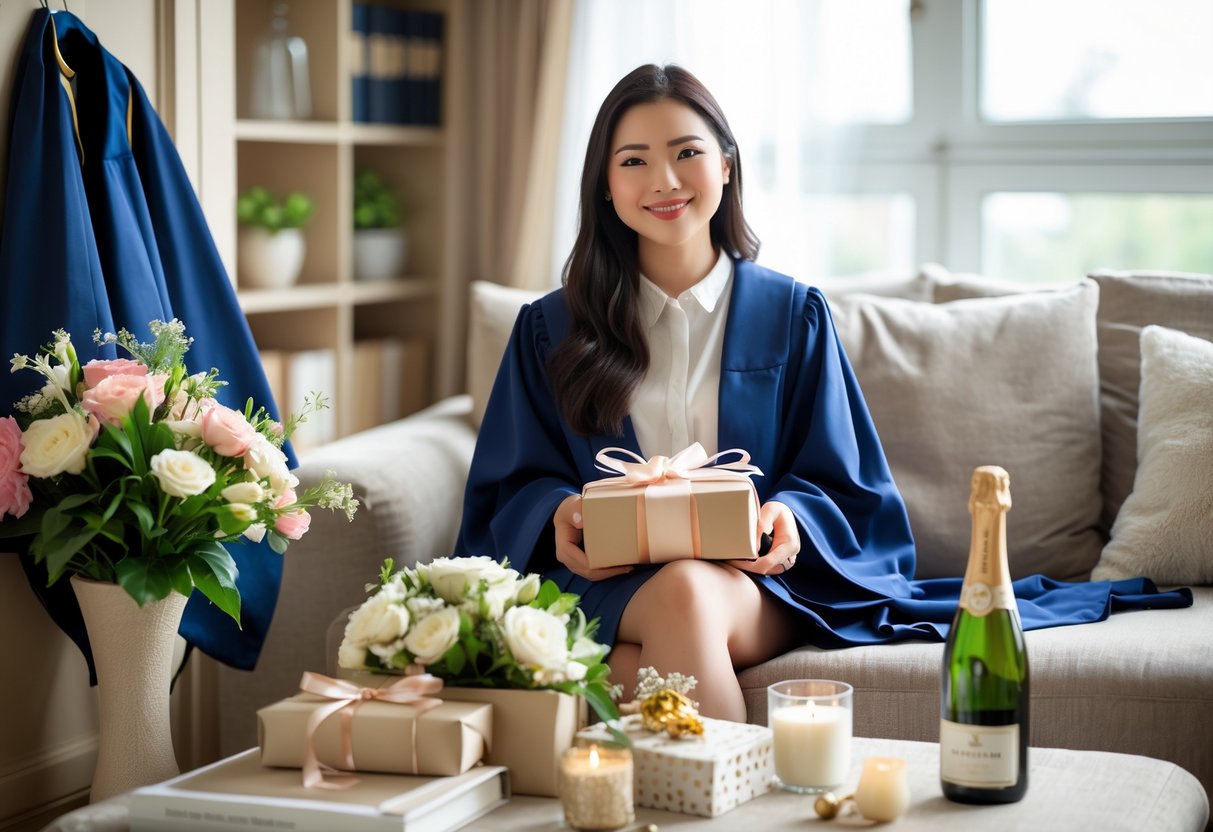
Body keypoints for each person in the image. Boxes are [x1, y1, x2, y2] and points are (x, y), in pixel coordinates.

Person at [455, 63, 1191, 721]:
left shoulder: (789, 314)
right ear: (605, 183)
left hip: (755, 588)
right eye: (633, 160)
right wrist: (563, 513)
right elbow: (511, 482)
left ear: (726, 165)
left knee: (685, 589)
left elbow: (845, 478)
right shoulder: (553, 329)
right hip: (609, 586)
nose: (664, 182)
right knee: (674, 598)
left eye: (687, 153)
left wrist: (787, 515)